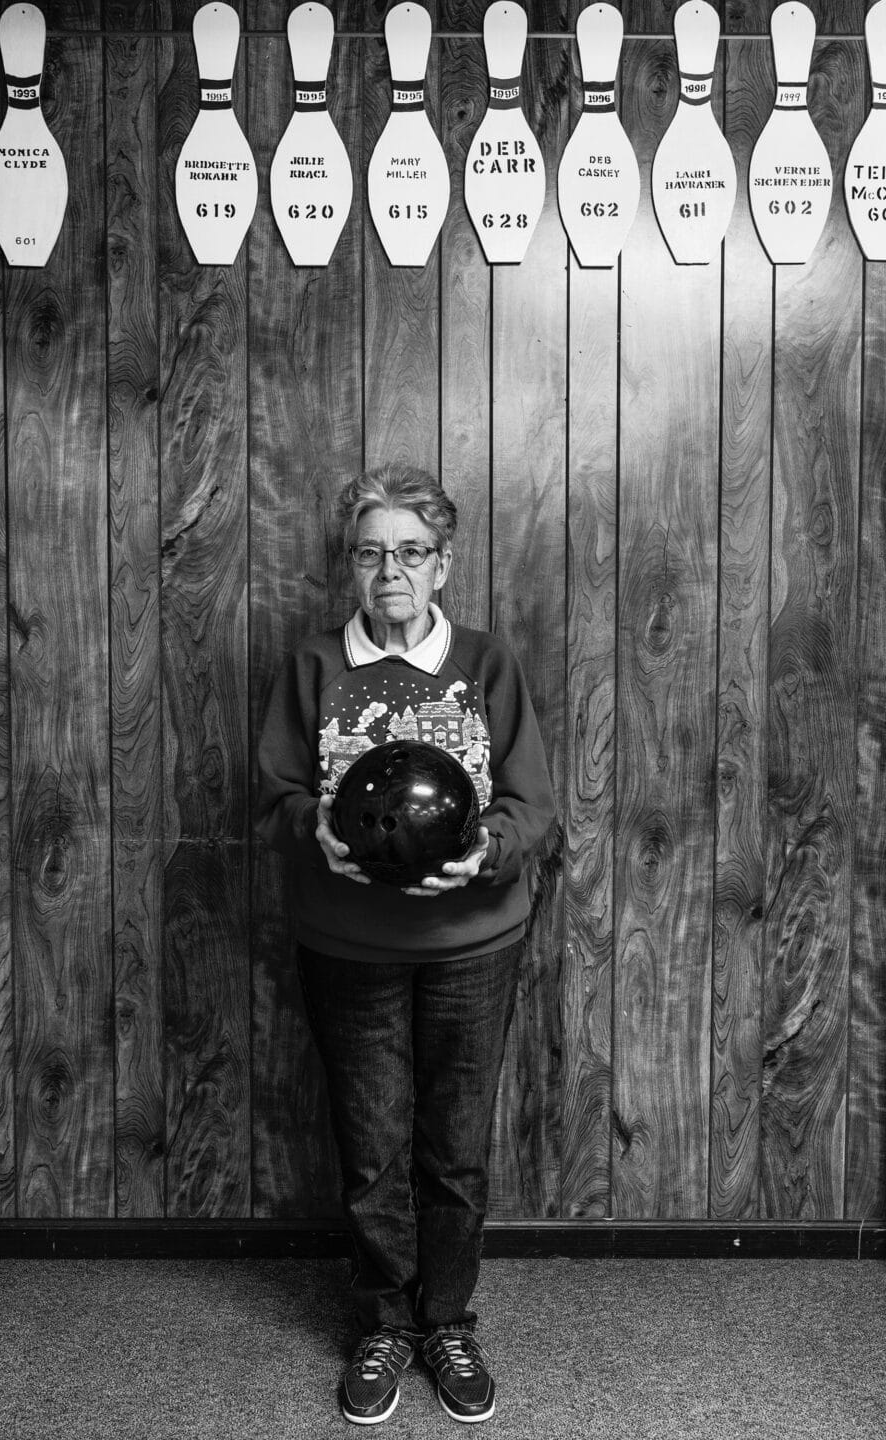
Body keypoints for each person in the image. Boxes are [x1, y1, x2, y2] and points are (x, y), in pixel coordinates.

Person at [256, 463, 555, 1425]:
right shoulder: (313, 667)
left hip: (472, 940)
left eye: (412, 553)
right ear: (352, 566)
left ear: (443, 566)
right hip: (349, 944)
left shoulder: (484, 663)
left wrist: (485, 859)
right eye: (373, 551)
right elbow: (275, 797)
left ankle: (449, 1321)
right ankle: (384, 1320)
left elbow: (531, 804)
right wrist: (318, 836)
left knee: (454, 1147)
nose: (392, 570)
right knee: (372, 1145)